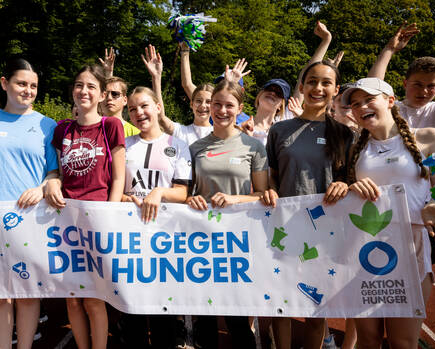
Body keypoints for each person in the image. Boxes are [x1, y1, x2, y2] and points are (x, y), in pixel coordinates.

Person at [0, 58, 59, 349]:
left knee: (28, 293)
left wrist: (43, 188)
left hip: (31, 220)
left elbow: (53, 173)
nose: (27, 90)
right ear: (5, 84)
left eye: (33, 86)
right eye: (21, 83)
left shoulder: (47, 125)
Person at [342, 77, 435, 348]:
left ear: (390, 101)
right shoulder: (356, 150)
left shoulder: (429, 138)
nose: (361, 106)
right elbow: (348, 201)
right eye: (355, 103)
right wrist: (351, 187)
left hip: (413, 250)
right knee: (368, 339)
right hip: (365, 252)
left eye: (368, 99)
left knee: (403, 341)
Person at [261, 61, 354, 349]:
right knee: (283, 304)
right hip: (284, 229)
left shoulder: (344, 134)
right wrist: (270, 192)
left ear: (335, 90)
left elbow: (350, 180)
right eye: (312, 81)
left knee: (317, 309)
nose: (318, 88)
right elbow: (271, 177)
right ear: (301, 87)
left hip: (324, 232)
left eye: (326, 83)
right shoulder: (279, 131)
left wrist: (344, 185)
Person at [45, 64, 125, 349]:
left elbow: (118, 177)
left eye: (91, 86)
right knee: (72, 297)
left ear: (102, 94)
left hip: (98, 220)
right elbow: (54, 170)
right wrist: (52, 181)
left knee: (93, 297)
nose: (84, 91)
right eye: (80, 85)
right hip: (65, 220)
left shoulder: (110, 126)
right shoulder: (62, 129)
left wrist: (111, 216)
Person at [185, 79, 267, 349]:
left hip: (237, 242)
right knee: (205, 319)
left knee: (237, 319)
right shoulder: (196, 148)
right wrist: (192, 198)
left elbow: (263, 195)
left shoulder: (254, 147)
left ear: (240, 108)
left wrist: (235, 199)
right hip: (202, 240)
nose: (221, 110)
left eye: (228, 105)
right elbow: (188, 192)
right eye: (215, 104)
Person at [119, 86, 192, 348]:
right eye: (133, 109)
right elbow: (115, 190)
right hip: (129, 236)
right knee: (132, 311)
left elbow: (183, 192)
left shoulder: (178, 145)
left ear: (158, 107)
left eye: (144, 106)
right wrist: (126, 198)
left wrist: (159, 192)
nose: (139, 112)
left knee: (164, 312)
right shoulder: (124, 146)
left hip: (165, 236)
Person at [368, 23, 435, 129]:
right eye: (418, 84)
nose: (424, 91)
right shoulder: (391, 108)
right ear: (405, 83)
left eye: (431, 86)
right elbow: (371, 88)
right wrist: (389, 49)